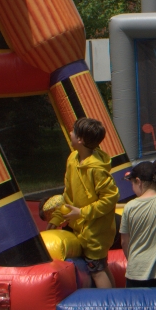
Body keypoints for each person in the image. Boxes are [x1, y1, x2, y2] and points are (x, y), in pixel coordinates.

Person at [59, 117, 119, 289]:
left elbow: (110, 198)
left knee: (97, 269)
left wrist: (82, 212)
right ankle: (111, 301)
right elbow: (68, 191)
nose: (70, 133)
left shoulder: (96, 168)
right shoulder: (73, 159)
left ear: (80, 140)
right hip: (79, 224)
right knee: (100, 267)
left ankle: (109, 307)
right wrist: (59, 216)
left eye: (73, 131)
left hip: (96, 229)